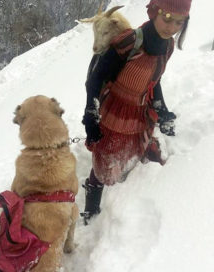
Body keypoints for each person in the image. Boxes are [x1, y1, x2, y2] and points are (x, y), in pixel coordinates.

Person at [81, 0, 191, 224]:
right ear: (154, 12)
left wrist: (162, 110)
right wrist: (91, 117)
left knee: (136, 151)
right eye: (167, 18)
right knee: (106, 161)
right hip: (115, 113)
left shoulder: (167, 46)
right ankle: (92, 202)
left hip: (140, 113)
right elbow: (96, 79)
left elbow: (154, 81)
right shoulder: (129, 42)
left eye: (179, 22)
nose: (171, 27)